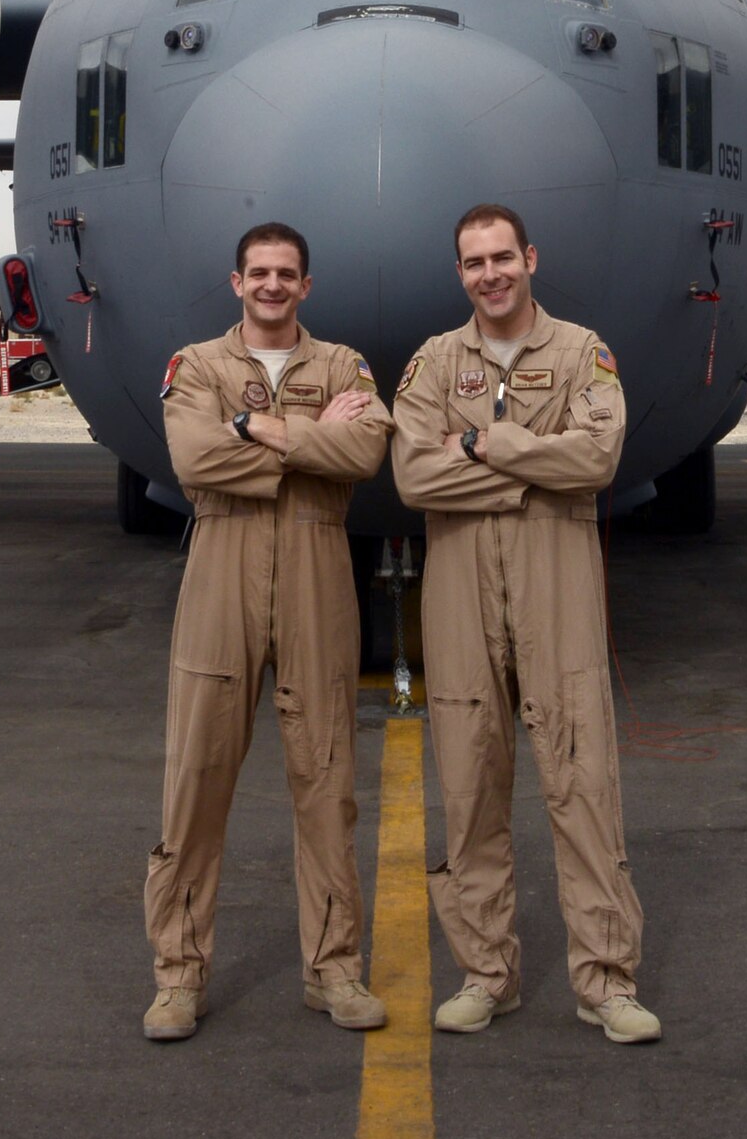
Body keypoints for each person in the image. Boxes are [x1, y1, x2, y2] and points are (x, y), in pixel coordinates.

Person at [391, 203, 660, 1044]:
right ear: (460, 273)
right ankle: (486, 974)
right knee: (469, 784)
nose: (490, 275)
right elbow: (412, 475)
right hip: (460, 588)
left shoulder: (583, 352)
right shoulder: (435, 361)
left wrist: (484, 446)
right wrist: (527, 465)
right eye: (474, 263)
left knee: (581, 779)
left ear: (530, 259)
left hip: (558, 582)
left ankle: (607, 981)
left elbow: (598, 459)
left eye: (502, 257)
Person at [144, 223, 394, 1041]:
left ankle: (335, 971)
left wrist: (255, 430)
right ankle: (178, 977)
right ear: (237, 282)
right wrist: (305, 441)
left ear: (306, 286)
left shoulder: (343, 365)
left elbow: (365, 454)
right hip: (222, 567)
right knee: (197, 780)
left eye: (288, 274)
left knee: (326, 780)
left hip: (320, 571)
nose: (274, 286)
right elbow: (193, 463)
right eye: (260, 274)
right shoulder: (198, 366)